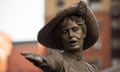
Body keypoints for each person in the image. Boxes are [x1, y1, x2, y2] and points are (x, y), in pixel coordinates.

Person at [21, 1, 98, 72]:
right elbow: (52, 63)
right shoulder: (59, 61)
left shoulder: (90, 69)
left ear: (84, 33)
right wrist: (43, 61)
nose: (71, 35)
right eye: (65, 32)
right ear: (60, 37)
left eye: (75, 30)